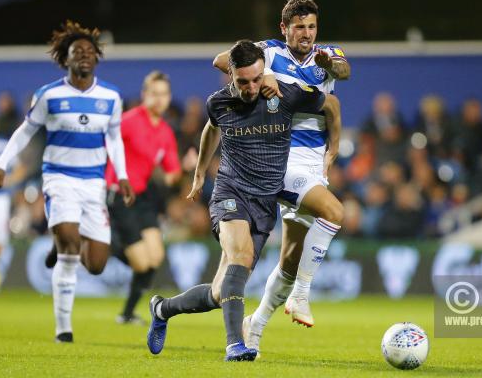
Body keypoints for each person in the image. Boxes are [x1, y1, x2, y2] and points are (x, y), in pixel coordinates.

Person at [146, 40, 341, 362]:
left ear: (264, 72)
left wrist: (332, 148)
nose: (250, 87)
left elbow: (331, 104)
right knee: (241, 254)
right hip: (230, 194)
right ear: (230, 75)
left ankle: (162, 308)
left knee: (221, 292)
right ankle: (236, 344)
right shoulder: (219, 102)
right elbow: (211, 130)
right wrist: (198, 175)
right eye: (242, 81)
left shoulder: (285, 93)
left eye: (256, 79)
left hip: (264, 204)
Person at [212, 0, 349, 351]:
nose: (306, 33)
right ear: (284, 28)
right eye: (299, 27)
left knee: (289, 262)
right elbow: (220, 60)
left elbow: (342, 79)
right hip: (281, 157)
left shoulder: (329, 54)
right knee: (334, 212)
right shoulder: (269, 52)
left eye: (311, 27)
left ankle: (254, 326)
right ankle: (303, 294)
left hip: (312, 163)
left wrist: (333, 147)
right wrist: (267, 72)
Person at [0, 21, 135, 343]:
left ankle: (59, 249)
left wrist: (122, 175)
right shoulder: (50, 95)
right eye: (77, 52)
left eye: (89, 51)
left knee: (97, 264)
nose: (84, 56)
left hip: (94, 183)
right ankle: (64, 329)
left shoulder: (111, 97)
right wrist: (2, 164)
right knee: (71, 247)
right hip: (59, 177)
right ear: (66, 59)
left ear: (96, 57)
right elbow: (25, 132)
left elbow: (114, 138)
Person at [105, 71, 181, 324]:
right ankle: (103, 245)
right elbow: (104, 142)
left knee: (154, 258)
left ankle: (127, 314)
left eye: (164, 94)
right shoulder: (128, 120)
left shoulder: (166, 133)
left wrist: (188, 167)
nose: (159, 100)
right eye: (154, 94)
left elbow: (172, 175)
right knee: (141, 263)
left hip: (143, 197)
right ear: (144, 95)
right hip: (119, 194)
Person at [0, 119, 27, 290]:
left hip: (0, 198)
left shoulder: (3, 145)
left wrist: (9, 181)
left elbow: (21, 169)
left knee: (0, 238)